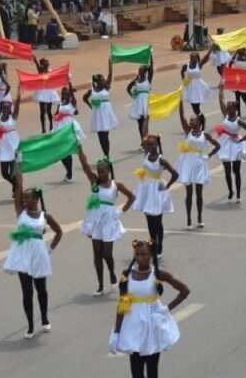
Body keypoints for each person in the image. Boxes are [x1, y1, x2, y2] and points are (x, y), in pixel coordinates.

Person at [108, 240, 189, 378]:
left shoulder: (158, 274)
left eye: (144, 254)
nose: (141, 258)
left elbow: (184, 291)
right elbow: (123, 302)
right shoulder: (126, 275)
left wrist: (166, 309)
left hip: (152, 326)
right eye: (138, 254)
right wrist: (116, 332)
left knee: (152, 371)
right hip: (133, 326)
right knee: (136, 371)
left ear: (151, 255)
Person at [2, 162, 63, 339]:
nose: (26, 200)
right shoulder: (20, 212)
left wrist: (49, 250)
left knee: (41, 289)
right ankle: (29, 325)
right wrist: (18, 166)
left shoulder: (45, 216)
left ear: (36, 199)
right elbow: (19, 186)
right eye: (24, 198)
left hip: (39, 254)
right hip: (22, 255)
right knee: (26, 291)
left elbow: (59, 232)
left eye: (29, 198)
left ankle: (44, 317)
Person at [78, 146, 135, 295]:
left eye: (103, 171)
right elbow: (85, 167)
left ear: (108, 171)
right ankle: (100, 284)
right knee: (97, 253)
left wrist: (120, 211)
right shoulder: (95, 183)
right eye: (98, 171)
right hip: (95, 219)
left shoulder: (116, 185)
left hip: (109, 220)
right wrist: (78, 148)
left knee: (106, 253)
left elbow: (132, 197)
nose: (100, 173)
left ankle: (111, 272)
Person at [131, 135, 178, 258]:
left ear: (157, 145)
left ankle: (159, 246)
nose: (150, 146)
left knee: (157, 222)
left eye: (153, 144)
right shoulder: (146, 153)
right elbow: (143, 139)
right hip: (146, 189)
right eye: (148, 144)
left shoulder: (162, 160)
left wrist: (167, 186)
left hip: (157, 191)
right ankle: (153, 245)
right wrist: (148, 135)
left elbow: (175, 174)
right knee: (149, 221)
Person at [176, 101, 220, 229]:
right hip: (188, 162)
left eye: (193, 120)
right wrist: (179, 102)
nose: (190, 122)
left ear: (199, 122)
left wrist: (209, 155)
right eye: (190, 120)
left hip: (200, 163)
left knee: (199, 193)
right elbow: (181, 116)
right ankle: (189, 219)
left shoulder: (205, 135)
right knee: (189, 193)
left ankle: (199, 218)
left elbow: (217, 145)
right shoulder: (187, 132)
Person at [215, 85, 246, 202]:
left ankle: (238, 194)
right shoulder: (226, 116)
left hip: (236, 145)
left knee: (236, 171)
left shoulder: (239, 121)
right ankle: (231, 191)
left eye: (230, 107)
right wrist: (221, 89)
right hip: (225, 144)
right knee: (227, 170)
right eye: (227, 107)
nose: (227, 108)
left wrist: (241, 140)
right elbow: (221, 100)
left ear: (235, 109)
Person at [0, 88, 21, 197]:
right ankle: (16, 186)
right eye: (4, 107)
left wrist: (18, 93)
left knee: (12, 172)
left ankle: (15, 189)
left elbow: (18, 104)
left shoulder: (13, 117)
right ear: (1, 108)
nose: (6, 109)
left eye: (7, 107)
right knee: (4, 173)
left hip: (14, 145)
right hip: (4, 147)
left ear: (10, 108)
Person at [83, 59, 118, 158]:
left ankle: (107, 155)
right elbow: (84, 98)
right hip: (97, 114)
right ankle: (104, 153)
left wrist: (110, 64)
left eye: (104, 79)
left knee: (106, 135)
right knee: (100, 136)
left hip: (106, 113)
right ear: (97, 82)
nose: (104, 81)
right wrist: (91, 106)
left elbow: (110, 75)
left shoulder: (106, 87)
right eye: (102, 80)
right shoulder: (92, 90)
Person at [54, 83, 85, 181]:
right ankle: (68, 171)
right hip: (60, 127)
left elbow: (75, 107)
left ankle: (69, 173)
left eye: (68, 93)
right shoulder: (60, 104)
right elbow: (56, 114)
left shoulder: (72, 102)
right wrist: (56, 116)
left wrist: (70, 84)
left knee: (68, 150)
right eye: (64, 93)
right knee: (61, 152)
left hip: (69, 127)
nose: (66, 95)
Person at [181, 47, 213, 129]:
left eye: (194, 57)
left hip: (198, 88)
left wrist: (211, 49)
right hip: (190, 88)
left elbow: (206, 57)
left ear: (197, 58)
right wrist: (184, 80)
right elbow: (182, 72)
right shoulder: (186, 65)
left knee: (196, 108)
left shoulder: (199, 65)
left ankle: (201, 122)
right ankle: (201, 120)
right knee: (194, 108)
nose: (193, 59)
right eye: (191, 57)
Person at [127, 56, 154, 146]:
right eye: (139, 70)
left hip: (145, 103)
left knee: (145, 123)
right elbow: (128, 88)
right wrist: (133, 96)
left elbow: (151, 69)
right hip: (138, 103)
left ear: (144, 72)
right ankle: (143, 140)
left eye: (141, 70)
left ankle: (145, 140)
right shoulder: (136, 80)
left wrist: (150, 56)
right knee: (140, 123)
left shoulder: (148, 79)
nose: (139, 71)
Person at [33, 56, 61, 133]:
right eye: (46, 61)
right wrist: (35, 61)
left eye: (47, 61)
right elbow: (38, 67)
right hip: (42, 92)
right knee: (42, 112)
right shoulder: (41, 70)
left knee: (49, 111)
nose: (48, 62)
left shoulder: (50, 70)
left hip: (49, 92)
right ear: (43, 64)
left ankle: (51, 124)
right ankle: (43, 127)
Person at [228, 45, 246, 118]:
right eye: (239, 50)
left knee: (244, 97)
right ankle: (239, 113)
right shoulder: (236, 58)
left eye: (242, 50)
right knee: (237, 97)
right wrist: (235, 54)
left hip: (244, 79)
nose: (241, 51)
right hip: (237, 79)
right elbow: (230, 64)